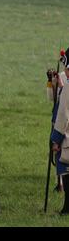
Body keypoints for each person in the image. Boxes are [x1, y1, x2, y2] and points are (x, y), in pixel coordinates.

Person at [50, 47, 69, 215]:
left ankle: (67, 208)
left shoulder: (68, 88)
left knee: (66, 169)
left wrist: (56, 139)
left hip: (67, 137)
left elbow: (63, 115)